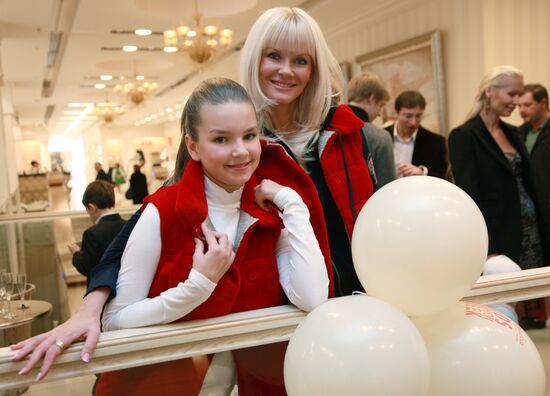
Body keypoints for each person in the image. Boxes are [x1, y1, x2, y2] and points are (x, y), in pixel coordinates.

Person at [12, 6, 375, 385]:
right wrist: (92, 303)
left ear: (314, 68)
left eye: (301, 60)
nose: (286, 70)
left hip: (351, 311)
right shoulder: (236, 137)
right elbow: (149, 219)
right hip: (269, 328)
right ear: (255, 59)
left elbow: (376, 222)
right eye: (274, 56)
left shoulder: (351, 135)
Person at [102, 78, 328, 394]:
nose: (241, 151)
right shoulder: (163, 210)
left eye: (249, 136)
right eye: (221, 139)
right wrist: (198, 285)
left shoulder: (271, 211)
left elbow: (312, 297)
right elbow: (114, 321)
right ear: (193, 146)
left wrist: (293, 203)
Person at [448, 65, 549, 328]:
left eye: (520, 95)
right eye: (511, 94)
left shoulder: (514, 132)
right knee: (503, 309)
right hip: (499, 235)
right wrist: (487, 246)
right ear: (489, 92)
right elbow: (471, 195)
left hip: (531, 231)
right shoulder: (464, 136)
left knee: (531, 310)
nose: (516, 102)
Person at [67, 181, 126, 286]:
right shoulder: (127, 226)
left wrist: (76, 253)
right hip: (125, 285)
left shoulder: (91, 234)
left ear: (92, 207)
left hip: (102, 290)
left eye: (87, 210)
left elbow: (88, 268)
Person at [348, 72, 397, 188]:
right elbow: (387, 189)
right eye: (381, 105)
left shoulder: (326, 128)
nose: (379, 113)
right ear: (372, 98)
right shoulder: (380, 138)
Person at [385, 90, 448, 179]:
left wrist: (422, 172)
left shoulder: (436, 142)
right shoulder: (381, 137)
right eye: (408, 116)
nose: (413, 122)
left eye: (418, 116)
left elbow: (443, 177)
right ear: (397, 112)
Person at [519, 84, 550, 245]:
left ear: (543, 103)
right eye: (519, 105)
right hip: (531, 210)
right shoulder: (518, 133)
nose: (522, 110)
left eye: (527, 105)